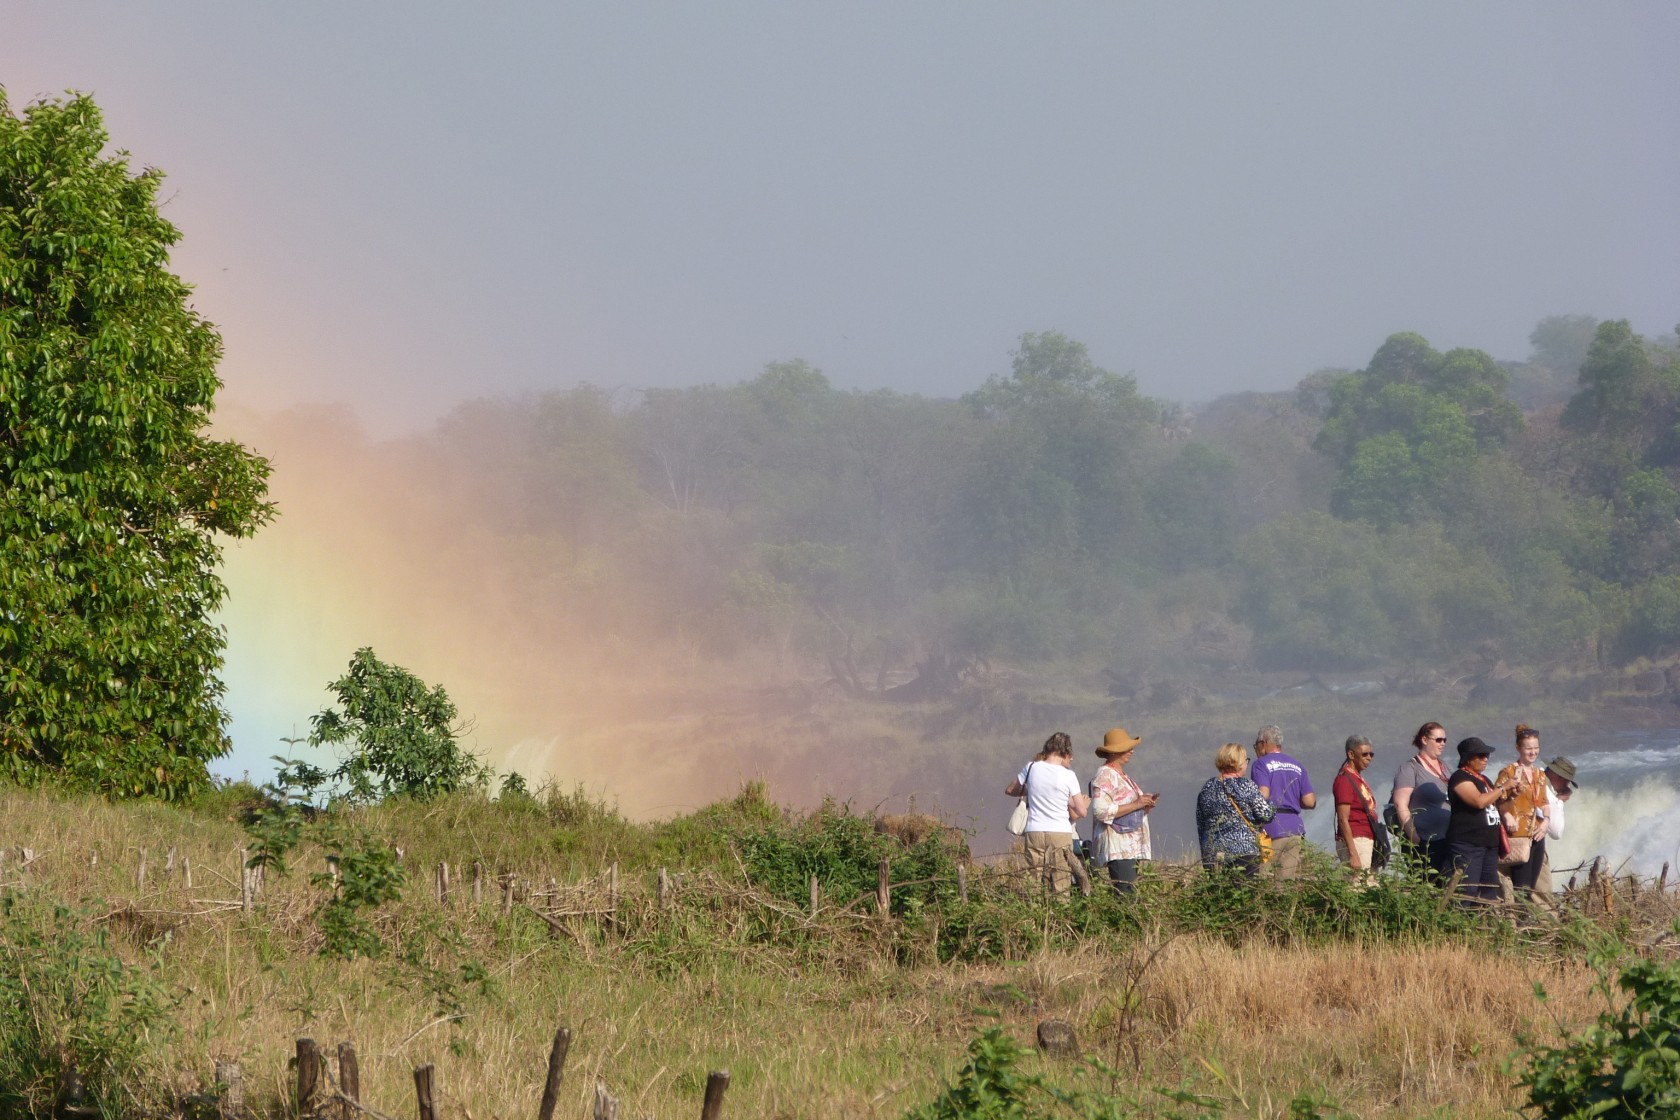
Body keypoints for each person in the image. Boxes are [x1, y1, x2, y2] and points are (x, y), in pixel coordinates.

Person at [1005, 732, 1089, 895]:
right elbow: (1081, 811)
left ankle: (1034, 909)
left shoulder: (1031, 767)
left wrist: (1033, 791)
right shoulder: (1068, 775)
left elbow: (1010, 789)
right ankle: (1060, 910)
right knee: (1060, 881)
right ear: (1065, 753)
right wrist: (1080, 803)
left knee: (1033, 880)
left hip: (1034, 831)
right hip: (1060, 832)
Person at [1445, 737, 1516, 906]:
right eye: (1481, 755)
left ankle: (1483, 920)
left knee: (1488, 892)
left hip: (1488, 846)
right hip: (1468, 845)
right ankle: (1460, 921)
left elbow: (1495, 805)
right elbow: (1479, 801)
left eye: (1487, 755)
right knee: (1467, 891)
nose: (1486, 758)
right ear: (1468, 758)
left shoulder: (1484, 780)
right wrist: (1503, 787)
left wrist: (1512, 795)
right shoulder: (1460, 777)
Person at [1088, 727, 1158, 894]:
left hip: (1127, 848)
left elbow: (1125, 809)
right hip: (1119, 848)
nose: (1131, 751)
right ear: (1113, 752)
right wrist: (1137, 804)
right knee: (1125, 895)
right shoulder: (1105, 775)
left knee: (1129, 892)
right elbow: (1099, 810)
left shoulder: (1121, 775)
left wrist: (1143, 807)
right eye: (1126, 748)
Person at [1195, 742, 1275, 877]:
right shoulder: (1246, 785)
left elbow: (1201, 824)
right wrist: (1271, 803)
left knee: (1219, 890)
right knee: (1244, 889)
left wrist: (1206, 852)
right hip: (1243, 851)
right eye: (1246, 760)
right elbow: (1265, 814)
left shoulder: (1207, 788)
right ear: (1239, 763)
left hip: (1213, 854)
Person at [1250, 725, 1316, 879]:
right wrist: (1292, 799)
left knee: (1263, 878)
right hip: (1295, 829)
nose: (1256, 750)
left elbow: (1263, 794)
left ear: (1264, 743)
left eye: (1256, 745)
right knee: (1286, 881)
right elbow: (1310, 801)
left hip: (1270, 828)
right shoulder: (1297, 765)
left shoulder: (1260, 764)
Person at [1389, 721, 1452, 879]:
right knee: (1426, 883)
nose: (1443, 743)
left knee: (1447, 884)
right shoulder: (1409, 768)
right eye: (1438, 740)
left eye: (1444, 740)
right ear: (1424, 740)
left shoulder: (1446, 767)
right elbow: (1400, 804)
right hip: (1424, 841)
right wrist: (1414, 837)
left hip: (1447, 839)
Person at [1495, 725, 1551, 900]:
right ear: (1518, 748)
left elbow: (1544, 802)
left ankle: (1524, 915)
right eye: (1528, 748)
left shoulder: (1539, 774)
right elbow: (1496, 799)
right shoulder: (1508, 772)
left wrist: (1546, 821)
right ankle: (1518, 915)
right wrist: (1506, 815)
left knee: (1530, 887)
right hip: (1517, 834)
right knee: (1521, 886)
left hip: (1537, 833)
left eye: (1536, 748)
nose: (1533, 752)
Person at [1332, 735, 1381, 885]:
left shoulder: (1357, 777)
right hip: (1355, 840)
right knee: (1357, 886)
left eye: (1371, 754)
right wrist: (1353, 854)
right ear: (1351, 754)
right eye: (1364, 754)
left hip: (1364, 839)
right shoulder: (1344, 780)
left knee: (1369, 887)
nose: (1369, 758)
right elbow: (1343, 819)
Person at [1531, 756, 1580, 900]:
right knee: (1543, 895)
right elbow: (1556, 832)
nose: (1567, 785)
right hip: (1532, 844)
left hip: (1517, 840)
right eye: (1566, 780)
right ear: (1557, 776)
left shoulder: (1534, 776)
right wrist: (1560, 801)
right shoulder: (1545, 789)